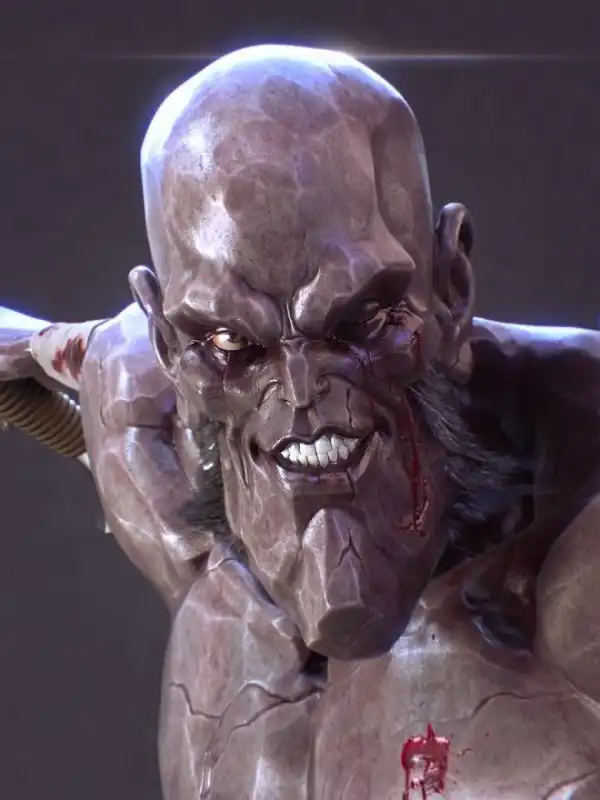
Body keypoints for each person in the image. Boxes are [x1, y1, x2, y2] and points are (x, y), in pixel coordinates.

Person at [1, 44, 600, 799]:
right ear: (172, 342)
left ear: (451, 286)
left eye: (360, 322)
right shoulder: (148, 416)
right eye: (232, 343)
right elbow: (109, 357)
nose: (301, 390)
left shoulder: (572, 549)